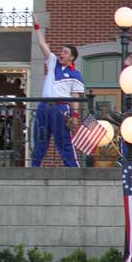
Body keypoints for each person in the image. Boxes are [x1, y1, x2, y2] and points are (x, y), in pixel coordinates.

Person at [31, 15, 84, 167]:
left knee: (63, 141)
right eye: (62, 51)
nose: (62, 53)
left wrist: (74, 116)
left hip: (60, 108)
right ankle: (35, 168)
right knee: (40, 138)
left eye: (66, 52)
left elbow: (75, 97)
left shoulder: (76, 74)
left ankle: (73, 169)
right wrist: (37, 28)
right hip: (44, 106)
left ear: (72, 57)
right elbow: (42, 45)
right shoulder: (53, 61)